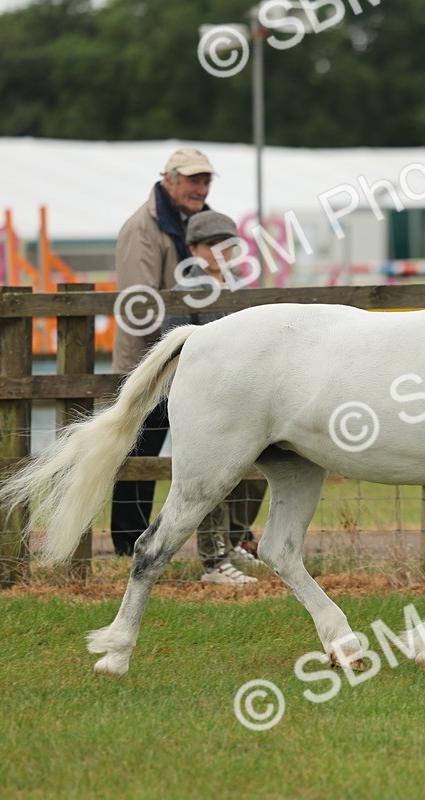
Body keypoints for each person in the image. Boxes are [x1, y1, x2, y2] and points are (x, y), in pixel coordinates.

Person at [109, 148, 215, 556]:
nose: (200, 187)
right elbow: (141, 303)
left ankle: (221, 542)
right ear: (169, 180)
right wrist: (179, 345)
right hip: (151, 359)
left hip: (190, 355)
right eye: (193, 180)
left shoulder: (199, 222)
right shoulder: (143, 228)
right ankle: (127, 543)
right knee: (141, 452)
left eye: (205, 180)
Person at [163, 210, 268, 584]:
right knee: (212, 479)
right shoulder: (185, 291)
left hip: (244, 397)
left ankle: (237, 538)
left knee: (257, 474)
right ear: (193, 248)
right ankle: (214, 560)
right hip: (207, 397)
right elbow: (175, 343)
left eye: (229, 244)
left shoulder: (240, 288)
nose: (222, 252)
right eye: (212, 244)